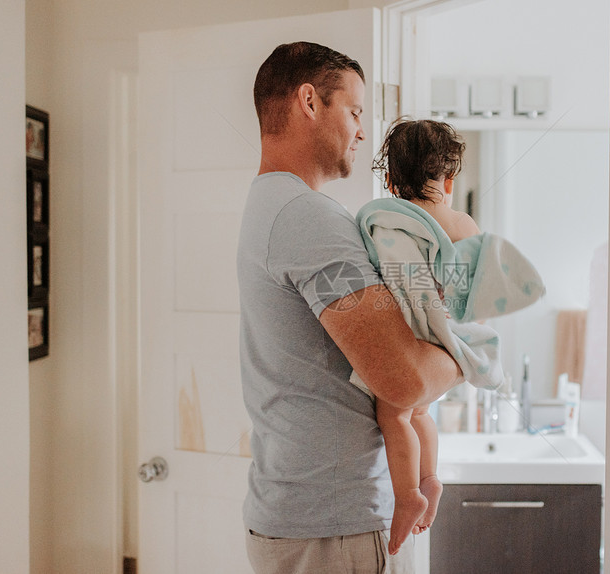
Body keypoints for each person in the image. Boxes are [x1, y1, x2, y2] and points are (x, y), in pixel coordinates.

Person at [238, 42, 464, 574]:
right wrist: (471, 352)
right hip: (329, 530)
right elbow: (404, 381)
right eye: (356, 111)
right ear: (309, 102)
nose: (363, 131)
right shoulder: (306, 218)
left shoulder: (271, 204)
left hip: (303, 518)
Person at [352, 118, 547, 555]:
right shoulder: (461, 222)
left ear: (389, 179)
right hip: (447, 338)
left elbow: (386, 274)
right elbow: (473, 290)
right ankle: (431, 479)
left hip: (413, 334)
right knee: (421, 413)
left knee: (396, 416)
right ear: (449, 179)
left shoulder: (386, 219)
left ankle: (409, 497)